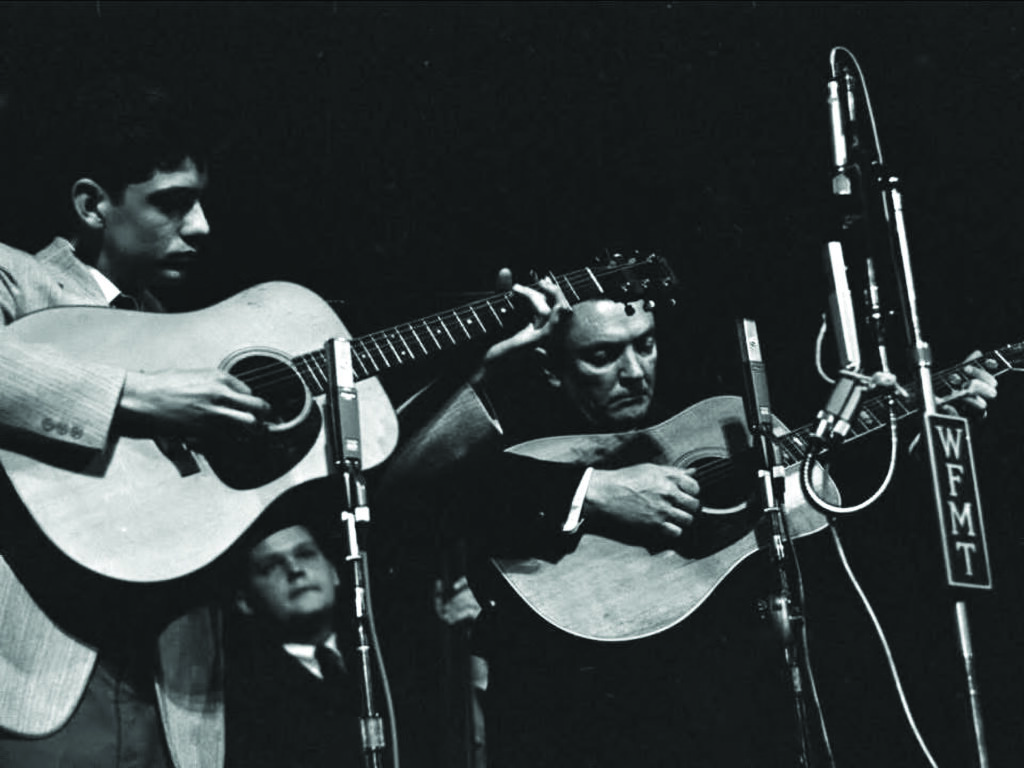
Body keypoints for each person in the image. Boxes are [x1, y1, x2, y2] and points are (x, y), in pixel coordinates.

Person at [379, 285, 999, 767]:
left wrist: (910, 430)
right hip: (584, 718)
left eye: (644, 344)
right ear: (550, 366)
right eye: (601, 356)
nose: (634, 371)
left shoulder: (717, 415)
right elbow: (424, 493)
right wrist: (596, 492)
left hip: (728, 713)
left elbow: (822, 504)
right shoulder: (515, 425)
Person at [0, 74, 270, 767]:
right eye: (173, 204)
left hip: (171, 689)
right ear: (93, 205)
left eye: (203, 203)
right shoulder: (16, 282)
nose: (203, 228)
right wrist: (137, 397)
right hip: (39, 680)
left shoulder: (190, 340)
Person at [225, 481, 364, 768]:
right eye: (271, 566)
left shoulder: (381, 658)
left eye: (306, 554)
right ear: (245, 601)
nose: (295, 569)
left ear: (335, 572)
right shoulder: (245, 698)